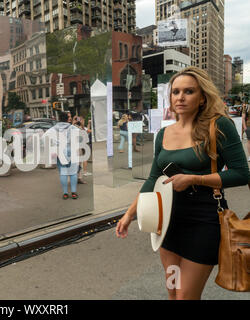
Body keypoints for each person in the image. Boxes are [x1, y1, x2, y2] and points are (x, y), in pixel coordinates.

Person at [115, 67, 250, 300]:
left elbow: (241, 173)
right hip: (167, 223)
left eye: (189, 91)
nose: (180, 97)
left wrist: (194, 179)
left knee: (186, 296)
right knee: (173, 293)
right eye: (175, 92)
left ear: (202, 98)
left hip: (203, 221)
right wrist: (129, 215)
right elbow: (152, 179)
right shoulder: (164, 134)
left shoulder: (219, 126)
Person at [45, 111, 82, 200]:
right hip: (72, 151)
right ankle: (73, 192)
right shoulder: (73, 128)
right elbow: (80, 137)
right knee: (73, 173)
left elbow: (44, 137)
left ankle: (65, 193)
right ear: (67, 119)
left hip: (60, 152)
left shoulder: (54, 128)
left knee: (63, 173)